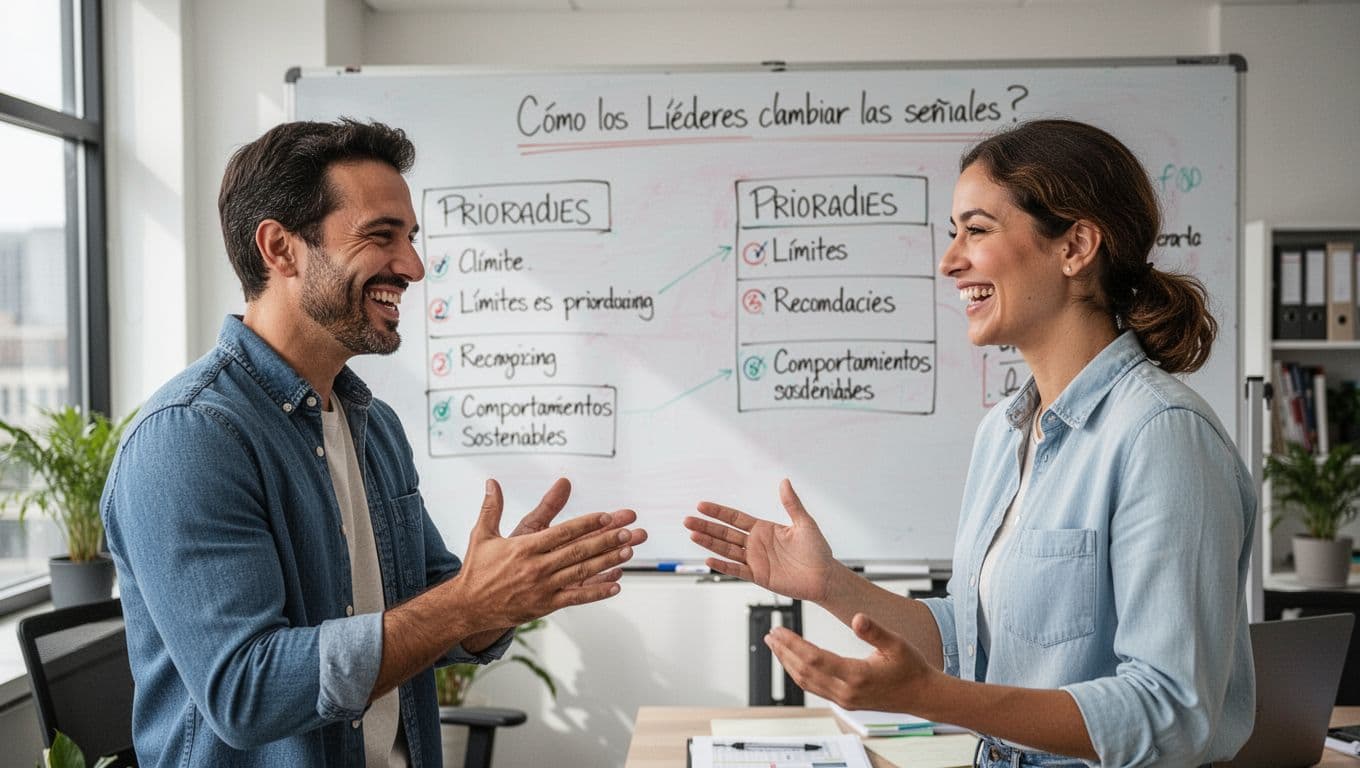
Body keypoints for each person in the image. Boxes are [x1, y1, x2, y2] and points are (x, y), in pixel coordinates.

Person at [685, 119, 1256, 768]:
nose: (949, 260)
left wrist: (939, 699)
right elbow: (966, 641)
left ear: (1076, 247)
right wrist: (829, 583)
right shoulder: (1003, 434)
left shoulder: (1161, 436)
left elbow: (1170, 715)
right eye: (954, 232)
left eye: (976, 230)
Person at [101, 119, 647, 767]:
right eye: (381, 236)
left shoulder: (371, 423)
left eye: (411, 239)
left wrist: (504, 597)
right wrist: (466, 601)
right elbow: (247, 692)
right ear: (281, 249)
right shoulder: (191, 439)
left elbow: (428, 606)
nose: (413, 266)